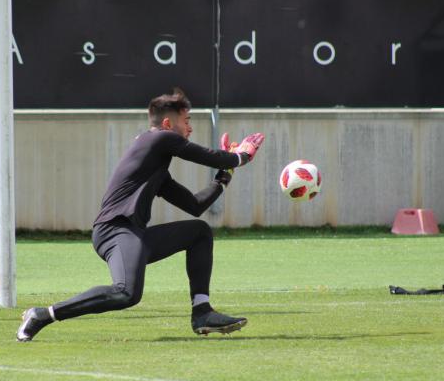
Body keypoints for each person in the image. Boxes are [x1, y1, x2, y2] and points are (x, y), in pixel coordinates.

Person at [17, 88, 264, 342]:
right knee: (126, 293)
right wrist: (241, 156)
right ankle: (42, 314)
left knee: (199, 232)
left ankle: (202, 313)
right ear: (168, 124)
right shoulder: (158, 139)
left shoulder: (154, 161)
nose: (190, 129)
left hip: (133, 233)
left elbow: (194, 204)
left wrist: (226, 174)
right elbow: (208, 157)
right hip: (114, 230)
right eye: (186, 122)